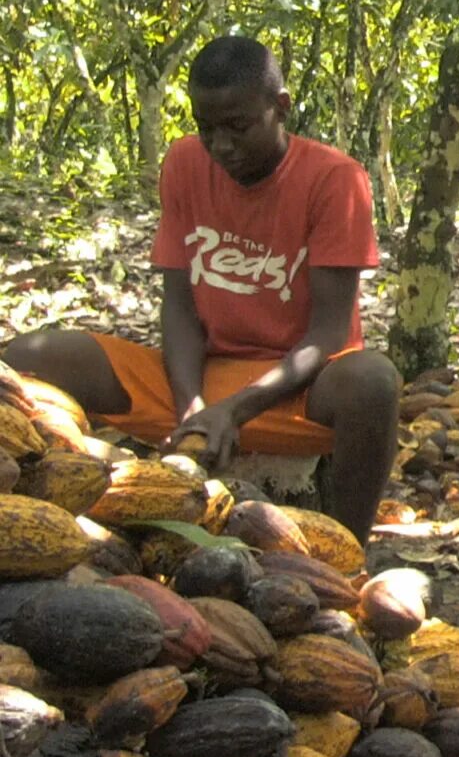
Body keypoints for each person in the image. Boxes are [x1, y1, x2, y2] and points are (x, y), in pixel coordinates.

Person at [3, 36, 399, 544]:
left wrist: (234, 411)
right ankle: (39, 523)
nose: (221, 146)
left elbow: (327, 335)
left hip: (296, 388)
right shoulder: (186, 163)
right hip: (201, 376)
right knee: (33, 356)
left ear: (280, 109)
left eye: (237, 127)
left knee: (375, 382)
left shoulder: (336, 180)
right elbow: (180, 305)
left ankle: (348, 550)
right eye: (206, 128)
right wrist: (191, 408)